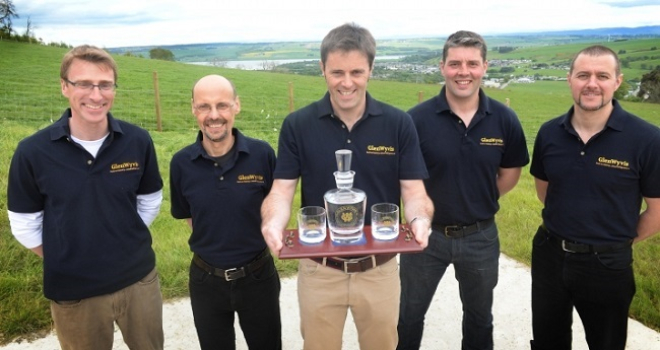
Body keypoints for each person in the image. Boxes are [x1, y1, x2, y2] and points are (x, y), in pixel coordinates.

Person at [260, 23, 434, 350]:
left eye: (357, 71)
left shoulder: (398, 123)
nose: (347, 82)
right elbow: (281, 190)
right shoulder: (298, 125)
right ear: (322, 69)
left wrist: (420, 221)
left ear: (370, 69)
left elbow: (414, 192)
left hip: (379, 269)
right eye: (337, 72)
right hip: (320, 270)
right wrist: (272, 223)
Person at [7, 45, 164, 350]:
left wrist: (121, 240)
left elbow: (150, 201)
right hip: (74, 292)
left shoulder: (137, 141)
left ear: (113, 89)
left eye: (105, 85)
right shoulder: (33, 152)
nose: (96, 95)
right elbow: (25, 224)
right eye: (84, 84)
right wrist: (69, 255)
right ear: (65, 87)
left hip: (139, 281)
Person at [397, 30, 530, 350]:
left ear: (485, 66)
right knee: (409, 315)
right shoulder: (415, 120)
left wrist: (480, 198)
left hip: (480, 236)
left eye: (472, 63)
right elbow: (403, 178)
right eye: (455, 63)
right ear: (442, 67)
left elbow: (510, 173)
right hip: (424, 238)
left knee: (479, 317)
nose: (463, 72)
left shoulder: (505, 119)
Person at [529, 45, 660, 350]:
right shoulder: (549, 133)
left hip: (607, 266)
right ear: (570, 79)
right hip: (549, 255)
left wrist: (614, 243)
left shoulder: (647, 140)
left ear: (617, 81)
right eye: (583, 75)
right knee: (548, 341)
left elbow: (656, 211)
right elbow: (544, 191)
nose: (592, 83)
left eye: (602, 75)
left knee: (606, 344)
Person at [169, 75, 281, 349]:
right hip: (206, 281)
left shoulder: (262, 154)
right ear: (193, 109)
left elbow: (276, 203)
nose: (214, 115)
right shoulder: (181, 163)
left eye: (222, 105)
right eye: (204, 106)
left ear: (236, 106)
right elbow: (189, 217)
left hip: (258, 276)